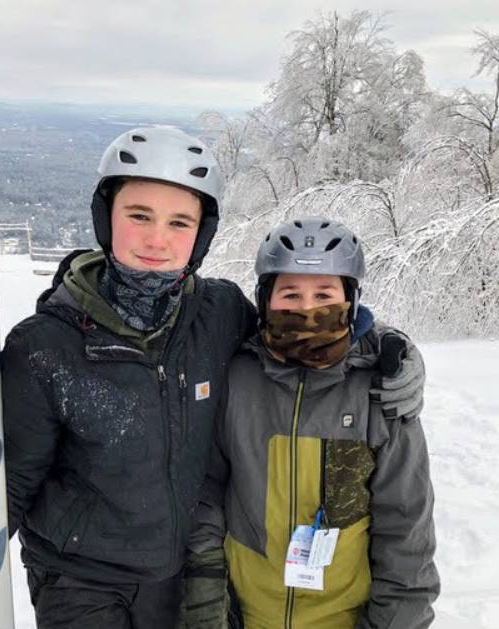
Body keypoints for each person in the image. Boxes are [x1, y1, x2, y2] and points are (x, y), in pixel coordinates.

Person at [0, 128, 424, 628]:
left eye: (179, 222)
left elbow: (305, 333)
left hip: (181, 577)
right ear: (106, 217)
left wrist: (387, 347)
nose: (158, 239)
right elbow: (9, 483)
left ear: (200, 235)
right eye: (139, 216)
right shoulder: (46, 345)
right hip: (79, 580)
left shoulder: (218, 314)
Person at [181, 218, 438, 628]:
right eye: (290, 294)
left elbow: (406, 529)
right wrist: (207, 598)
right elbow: (207, 493)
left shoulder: (381, 391)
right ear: (264, 300)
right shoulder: (235, 379)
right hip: (244, 616)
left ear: (351, 301)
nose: (307, 309)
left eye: (324, 294)